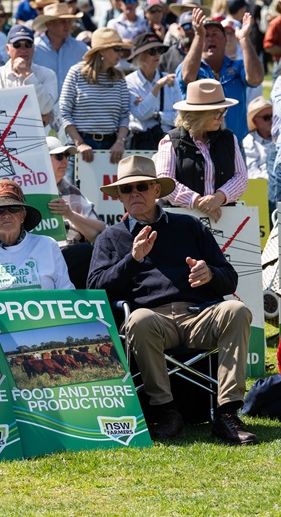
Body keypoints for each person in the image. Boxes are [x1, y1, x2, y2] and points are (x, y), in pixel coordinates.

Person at [87, 156, 253, 444]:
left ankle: (227, 413)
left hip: (199, 313)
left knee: (236, 310)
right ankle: (166, 413)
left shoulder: (189, 227)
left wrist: (209, 273)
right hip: (150, 319)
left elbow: (230, 279)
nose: (134, 193)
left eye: (141, 186)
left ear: (156, 190)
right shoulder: (110, 238)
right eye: (127, 190)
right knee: (139, 319)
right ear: (120, 198)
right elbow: (96, 290)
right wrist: (133, 259)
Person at [154, 79, 247, 221]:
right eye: (217, 114)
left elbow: (241, 178)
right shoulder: (170, 141)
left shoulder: (229, 138)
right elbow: (166, 182)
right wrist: (197, 202)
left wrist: (219, 197)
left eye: (224, 112)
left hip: (224, 219)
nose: (221, 118)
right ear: (199, 115)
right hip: (180, 220)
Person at [0, 179, 73, 290]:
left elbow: (66, 291)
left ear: (23, 216)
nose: (6, 215)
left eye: (13, 208)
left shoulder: (47, 245)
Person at [178, 8, 265, 139]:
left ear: (225, 40)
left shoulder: (238, 66)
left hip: (234, 145)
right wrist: (198, 35)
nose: (210, 39)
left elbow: (256, 79)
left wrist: (243, 39)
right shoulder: (188, 67)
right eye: (205, 35)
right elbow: (188, 77)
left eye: (215, 34)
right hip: (198, 144)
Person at [58, 27, 131, 163]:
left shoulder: (119, 77)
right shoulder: (76, 73)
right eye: (117, 49)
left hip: (111, 148)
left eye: (121, 49)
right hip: (79, 146)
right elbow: (64, 112)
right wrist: (79, 143)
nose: (120, 54)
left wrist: (120, 141)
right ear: (102, 51)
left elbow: (124, 114)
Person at [46, 136, 106, 288]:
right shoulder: (28, 191)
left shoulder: (72, 191)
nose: (65, 161)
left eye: (67, 156)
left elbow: (99, 231)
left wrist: (70, 215)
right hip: (40, 255)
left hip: (69, 253)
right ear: (43, 160)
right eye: (59, 156)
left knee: (87, 251)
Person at [0, 25, 58, 125]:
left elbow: (45, 108)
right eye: (17, 45)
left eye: (28, 44)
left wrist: (28, 74)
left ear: (33, 48)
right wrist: (35, 116)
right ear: (7, 49)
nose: (23, 50)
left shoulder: (48, 74)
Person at [126, 32, 181, 150]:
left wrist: (157, 115)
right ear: (140, 56)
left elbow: (179, 117)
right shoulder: (129, 82)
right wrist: (158, 86)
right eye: (152, 52)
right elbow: (141, 115)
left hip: (167, 144)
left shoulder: (171, 79)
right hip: (139, 143)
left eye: (159, 51)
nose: (157, 55)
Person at [32, 2, 89, 91]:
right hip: (43, 104)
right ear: (49, 24)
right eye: (62, 21)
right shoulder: (34, 49)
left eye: (69, 21)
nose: (67, 25)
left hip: (72, 104)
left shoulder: (80, 48)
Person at [243, 96, 274, 180]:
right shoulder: (249, 142)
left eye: (273, 116)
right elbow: (252, 173)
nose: (272, 121)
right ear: (255, 121)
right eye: (267, 117)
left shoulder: (278, 136)